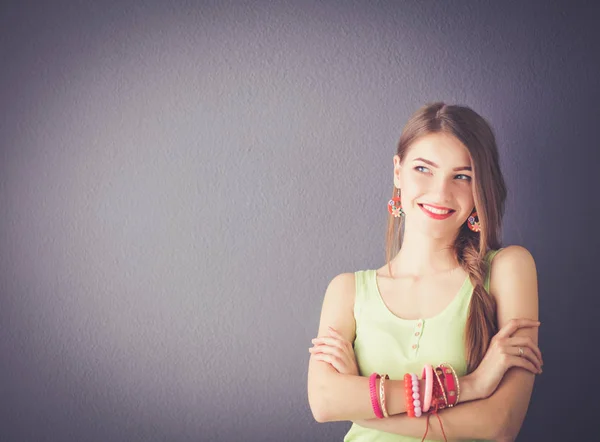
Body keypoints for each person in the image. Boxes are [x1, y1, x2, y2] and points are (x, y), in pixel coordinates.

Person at [307, 102, 542, 442]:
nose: (440, 192)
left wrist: (361, 402)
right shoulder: (346, 291)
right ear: (397, 172)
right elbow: (324, 402)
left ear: (480, 190)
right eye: (423, 169)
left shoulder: (509, 269)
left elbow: (500, 423)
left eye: (462, 176)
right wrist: (470, 386)